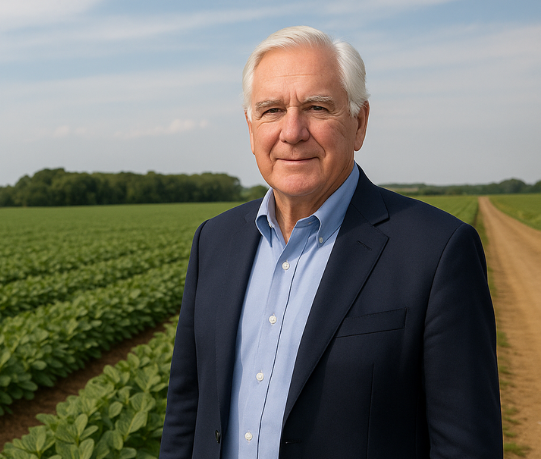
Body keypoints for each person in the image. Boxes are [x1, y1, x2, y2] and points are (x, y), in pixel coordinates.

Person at [159, 26, 502, 458]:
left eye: (318, 108)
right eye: (271, 111)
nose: (293, 131)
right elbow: (186, 414)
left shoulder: (437, 251)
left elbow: (466, 446)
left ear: (359, 124)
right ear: (251, 129)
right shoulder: (214, 241)